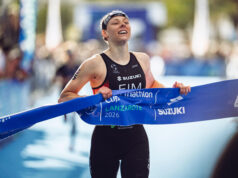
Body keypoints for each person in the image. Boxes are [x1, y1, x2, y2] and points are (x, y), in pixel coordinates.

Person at [58, 10, 191, 178]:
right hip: (105, 138)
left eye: (126, 22)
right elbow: (65, 97)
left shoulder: (142, 59)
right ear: (105, 34)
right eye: (115, 22)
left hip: (136, 137)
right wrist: (94, 99)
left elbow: (152, 87)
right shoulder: (94, 63)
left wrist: (174, 90)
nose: (122, 24)